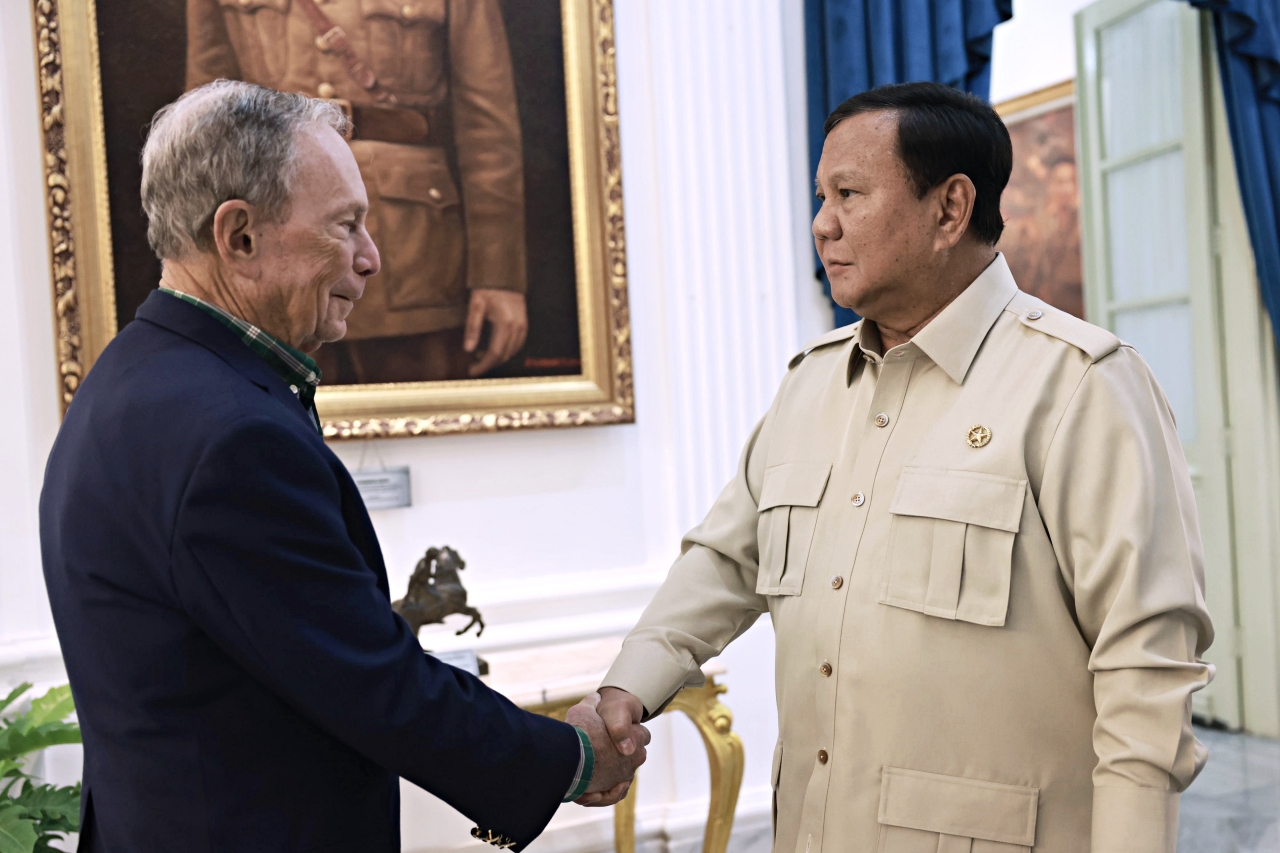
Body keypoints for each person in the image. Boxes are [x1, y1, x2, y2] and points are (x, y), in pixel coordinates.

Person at [595, 82, 1213, 853]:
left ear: (950, 209)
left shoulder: (1081, 386)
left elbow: (1146, 664)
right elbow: (725, 559)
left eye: (849, 193)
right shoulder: (810, 383)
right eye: (820, 196)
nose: (823, 224)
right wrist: (630, 683)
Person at [39, 81, 645, 852]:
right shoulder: (230, 436)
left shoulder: (129, 379)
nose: (371, 257)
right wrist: (571, 756)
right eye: (346, 226)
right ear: (239, 235)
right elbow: (371, 680)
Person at [187, 0, 529, 383]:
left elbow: (488, 131)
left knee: (426, 427)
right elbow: (205, 130)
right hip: (274, 255)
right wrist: (205, 281)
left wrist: (499, 277)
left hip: (412, 260)